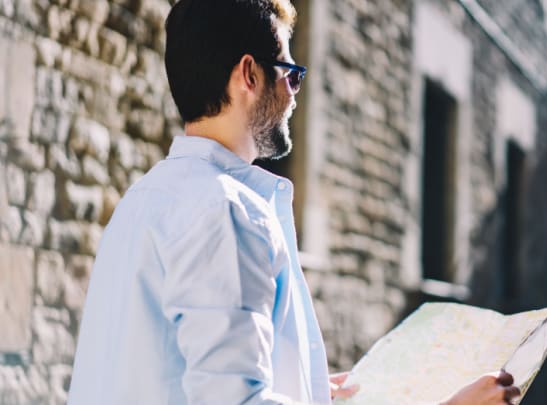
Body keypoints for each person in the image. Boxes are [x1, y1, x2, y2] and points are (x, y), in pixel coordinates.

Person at [67, 1, 521, 404]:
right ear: (249, 74)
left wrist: (300, 384)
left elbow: (168, 371)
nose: (293, 94)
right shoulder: (225, 211)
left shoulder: (139, 201)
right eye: (290, 74)